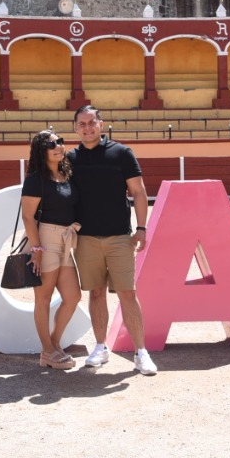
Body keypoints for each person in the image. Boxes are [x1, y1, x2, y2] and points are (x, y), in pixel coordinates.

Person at [66, 105, 157, 375]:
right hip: (85, 239)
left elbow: (139, 192)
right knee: (95, 293)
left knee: (128, 294)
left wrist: (141, 227)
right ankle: (101, 346)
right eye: (81, 124)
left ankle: (141, 352)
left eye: (91, 122)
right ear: (75, 128)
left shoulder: (121, 153)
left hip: (119, 237)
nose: (87, 127)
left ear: (101, 124)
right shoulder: (70, 159)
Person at [21, 129, 83, 370]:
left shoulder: (67, 174)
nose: (58, 146)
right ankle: (47, 351)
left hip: (67, 238)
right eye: (52, 144)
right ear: (41, 151)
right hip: (46, 238)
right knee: (43, 298)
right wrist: (36, 248)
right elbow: (28, 217)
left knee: (73, 296)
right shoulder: (36, 179)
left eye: (60, 141)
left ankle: (54, 343)